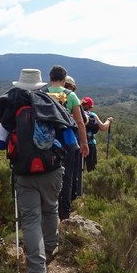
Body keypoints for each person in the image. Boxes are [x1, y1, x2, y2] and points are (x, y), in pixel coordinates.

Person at [0, 69, 79, 273]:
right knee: (50, 208)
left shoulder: (11, 108)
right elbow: (71, 141)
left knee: (31, 220)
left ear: (19, 85)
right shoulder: (52, 104)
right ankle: (51, 247)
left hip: (24, 172)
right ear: (40, 85)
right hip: (51, 169)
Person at [46, 66, 88, 220]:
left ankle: (49, 209)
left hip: (46, 142)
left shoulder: (42, 93)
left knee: (47, 174)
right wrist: (84, 143)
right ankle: (64, 213)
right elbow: (80, 122)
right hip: (66, 141)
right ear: (64, 80)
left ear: (50, 78)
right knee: (67, 175)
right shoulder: (70, 95)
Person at [81, 97, 113, 171]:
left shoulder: (76, 113)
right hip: (90, 144)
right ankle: (90, 179)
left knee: (79, 168)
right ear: (90, 106)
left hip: (79, 143)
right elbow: (103, 127)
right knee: (92, 168)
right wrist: (108, 121)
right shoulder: (92, 115)